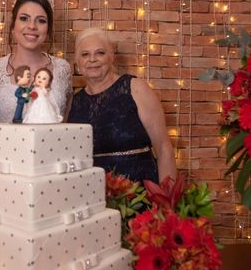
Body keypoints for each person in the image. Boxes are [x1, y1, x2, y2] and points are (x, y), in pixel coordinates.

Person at [67, 28, 177, 184]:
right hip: (93, 194)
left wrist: (167, 201)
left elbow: (164, 148)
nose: (92, 59)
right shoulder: (74, 101)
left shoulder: (135, 88)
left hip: (139, 193)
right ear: (77, 62)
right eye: (85, 54)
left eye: (100, 53)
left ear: (111, 56)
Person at [0, 0, 72, 123]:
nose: (32, 26)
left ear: (48, 28)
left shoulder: (62, 68)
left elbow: (67, 124)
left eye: (41, 20)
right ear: (13, 25)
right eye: (24, 18)